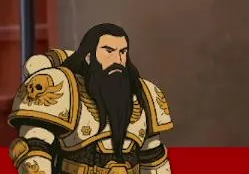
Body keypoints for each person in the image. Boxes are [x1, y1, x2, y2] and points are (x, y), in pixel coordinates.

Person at [8, 23, 173, 173]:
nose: (118, 59)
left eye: (122, 52)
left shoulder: (144, 94)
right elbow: (34, 150)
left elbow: (153, 160)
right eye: (108, 51)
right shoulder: (62, 87)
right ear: (88, 56)